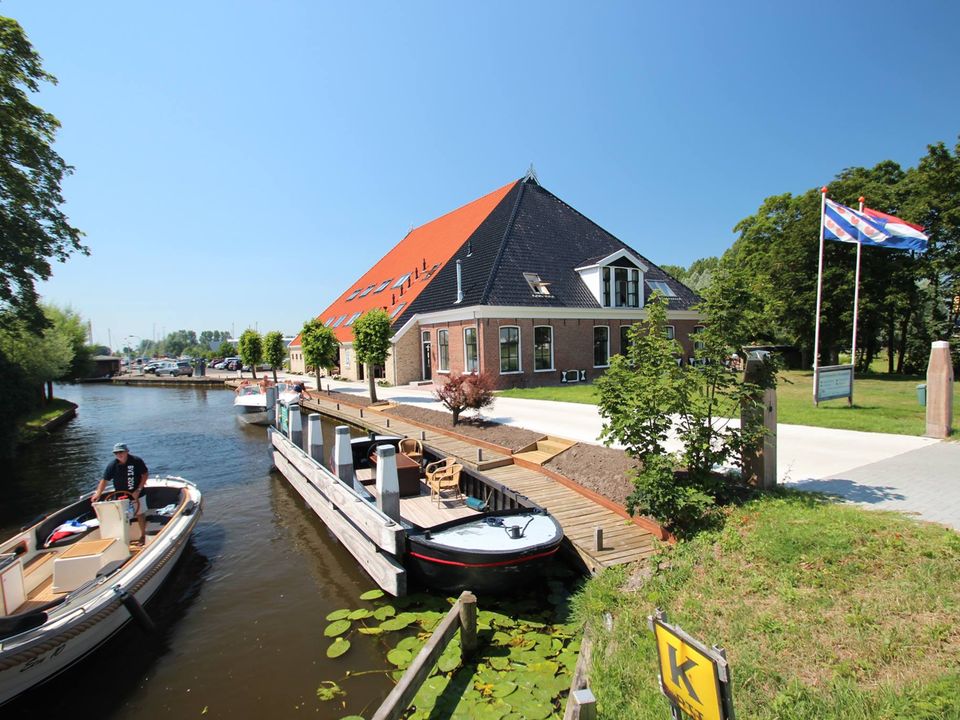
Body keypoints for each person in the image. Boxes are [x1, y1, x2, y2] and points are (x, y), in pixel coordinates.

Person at [93, 442, 149, 545]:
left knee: (140, 514)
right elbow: (104, 480)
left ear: (127, 451)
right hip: (121, 495)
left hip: (137, 493)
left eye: (121, 452)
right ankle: (122, 538)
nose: (119, 454)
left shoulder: (136, 461)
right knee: (121, 516)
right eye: (116, 453)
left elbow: (145, 474)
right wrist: (98, 493)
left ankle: (143, 535)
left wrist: (138, 490)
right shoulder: (112, 465)